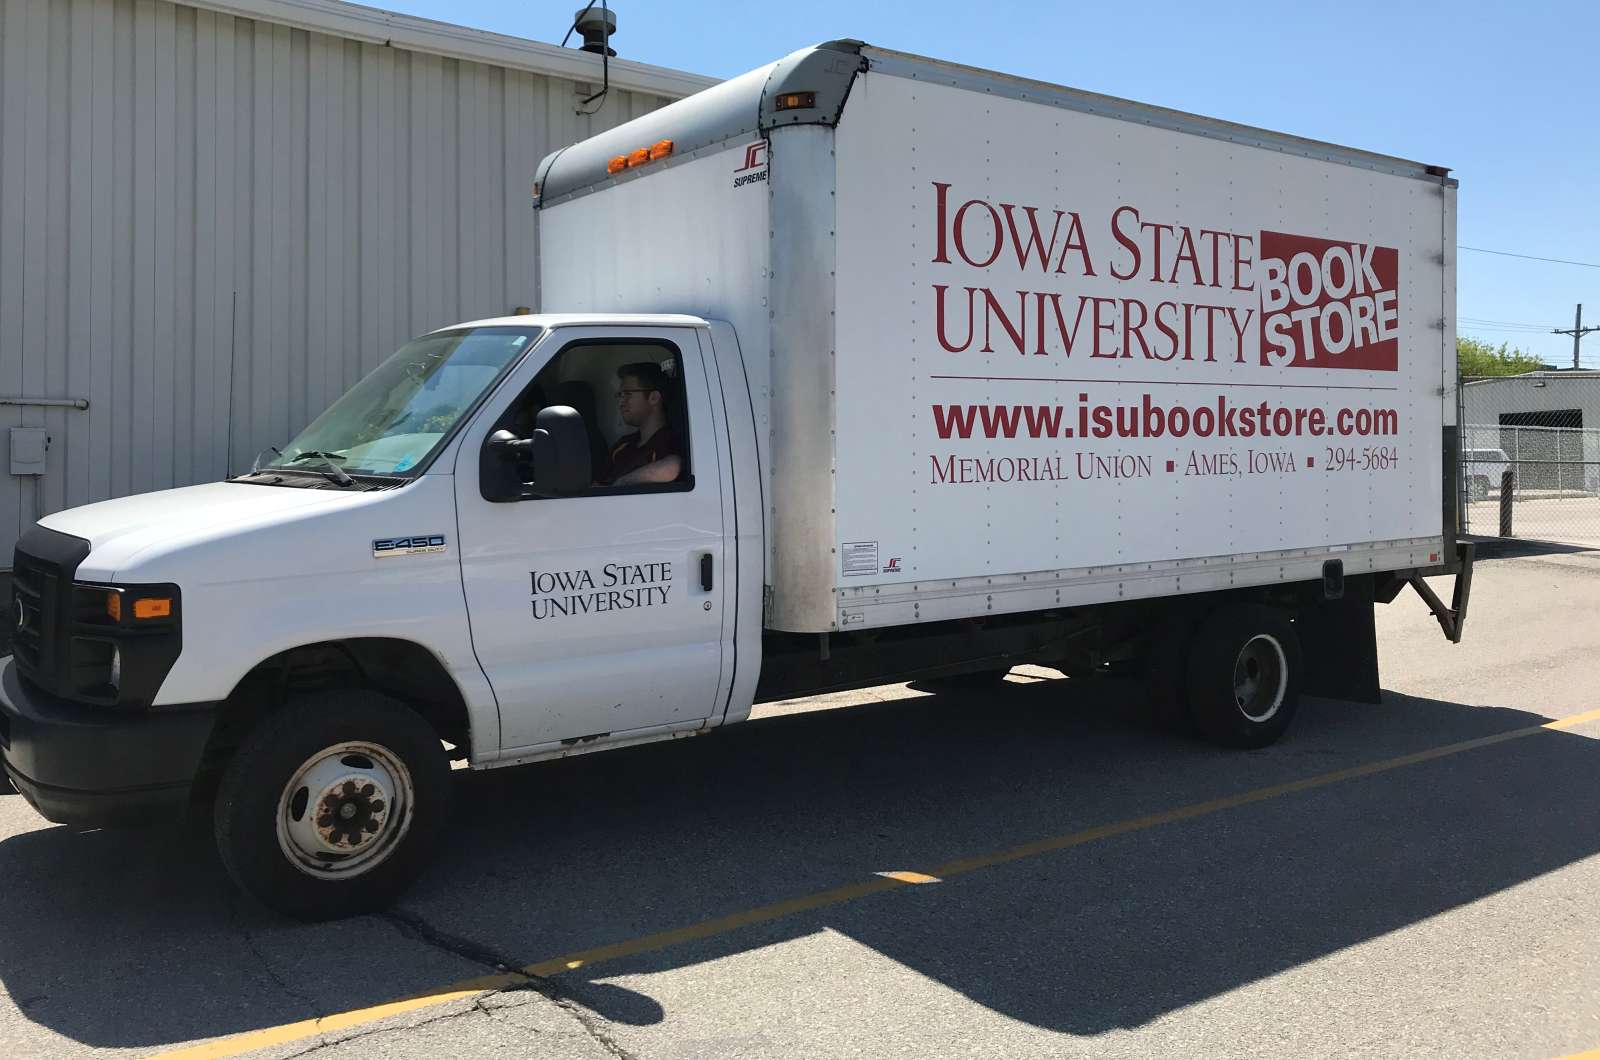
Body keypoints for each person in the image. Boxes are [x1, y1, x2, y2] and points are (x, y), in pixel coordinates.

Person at [597, 362, 683, 486]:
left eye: (628, 394)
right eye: (620, 395)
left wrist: (622, 483)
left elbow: (673, 467)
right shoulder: (622, 445)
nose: (621, 402)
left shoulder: (671, 441)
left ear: (653, 397)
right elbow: (597, 485)